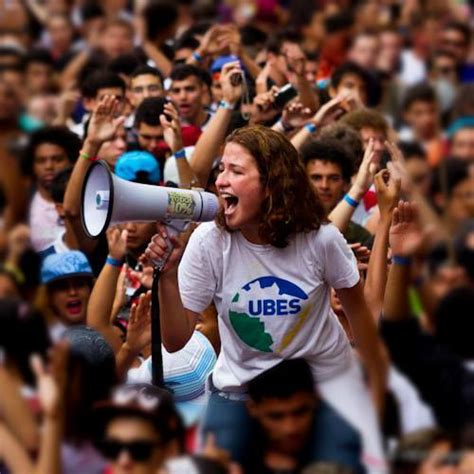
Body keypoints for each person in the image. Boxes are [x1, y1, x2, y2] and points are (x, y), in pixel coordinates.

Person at [146, 125, 387, 473]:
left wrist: (371, 394)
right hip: (240, 390)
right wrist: (166, 275)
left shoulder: (321, 239)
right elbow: (174, 340)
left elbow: (362, 318)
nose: (221, 182)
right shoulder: (207, 242)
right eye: (221, 169)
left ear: (272, 184)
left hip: (325, 384)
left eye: (237, 171)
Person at [246, 358, 364, 473]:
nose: (291, 428)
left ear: (316, 398)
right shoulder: (240, 450)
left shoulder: (340, 436)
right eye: (276, 417)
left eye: (301, 412)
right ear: (252, 408)